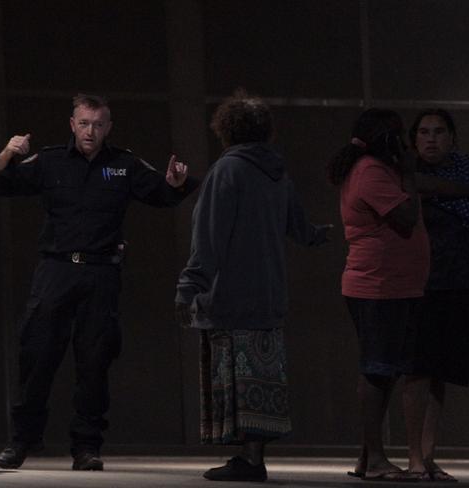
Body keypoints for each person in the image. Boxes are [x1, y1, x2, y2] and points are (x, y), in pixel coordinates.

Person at [0, 93, 198, 471]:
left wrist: (176, 182)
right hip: (56, 271)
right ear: (72, 124)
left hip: (100, 274)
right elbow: (5, 183)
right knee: (37, 356)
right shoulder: (50, 161)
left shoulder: (123, 164)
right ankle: (22, 441)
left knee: (94, 362)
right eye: (84, 123)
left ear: (108, 128)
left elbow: (163, 194)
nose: (90, 131)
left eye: (98, 125)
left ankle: (86, 447)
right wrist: (6, 153)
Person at [175, 90, 330, 483]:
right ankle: (252, 456)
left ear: (225, 129)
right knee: (259, 379)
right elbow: (298, 225)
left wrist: (189, 287)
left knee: (237, 378)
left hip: (232, 296)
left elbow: (208, 236)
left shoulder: (227, 171)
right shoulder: (276, 173)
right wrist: (317, 236)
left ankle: (248, 460)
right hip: (269, 295)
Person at [328, 108, 431, 481]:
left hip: (394, 286)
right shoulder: (371, 170)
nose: (406, 142)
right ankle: (374, 459)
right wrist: (408, 172)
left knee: (384, 370)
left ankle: (367, 456)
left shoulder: (376, 168)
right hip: (377, 286)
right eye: (400, 134)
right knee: (376, 369)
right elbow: (404, 217)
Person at [409, 108, 469, 482]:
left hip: (460, 278)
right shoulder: (402, 171)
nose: (431, 138)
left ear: (452, 137)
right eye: (423, 132)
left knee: (442, 371)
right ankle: (406, 457)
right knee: (413, 369)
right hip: (417, 282)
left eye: (439, 131)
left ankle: (428, 453)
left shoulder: (466, 167)